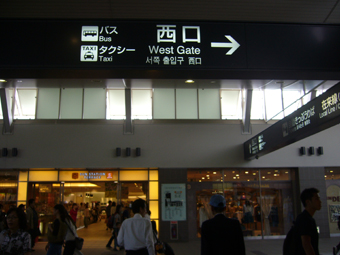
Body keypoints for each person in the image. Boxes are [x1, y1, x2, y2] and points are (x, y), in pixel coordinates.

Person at [295, 188, 321, 255]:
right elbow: (306, 244)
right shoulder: (305, 219)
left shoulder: (307, 218)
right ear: (308, 202)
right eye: (316, 199)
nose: (320, 201)